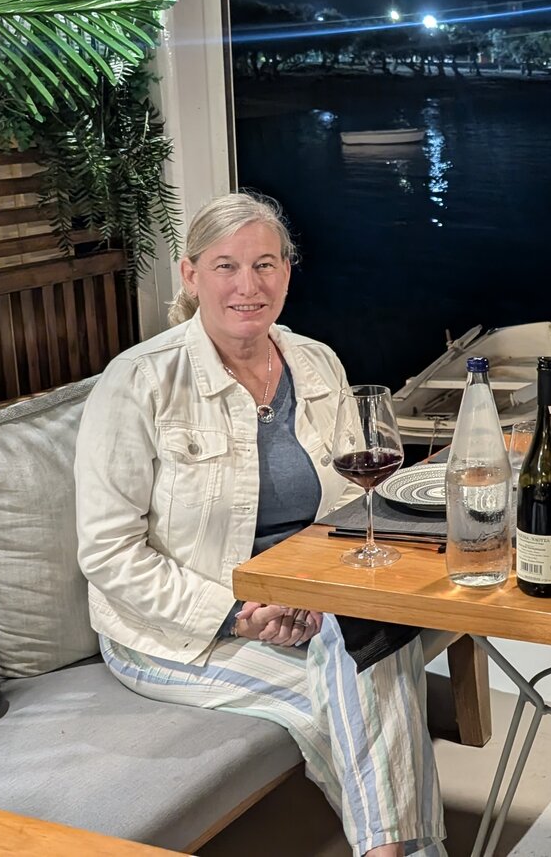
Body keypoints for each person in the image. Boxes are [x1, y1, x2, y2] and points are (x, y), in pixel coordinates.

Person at [75, 193, 443, 857]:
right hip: (177, 632)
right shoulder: (139, 383)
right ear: (191, 276)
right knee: (369, 666)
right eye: (226, 266)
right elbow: (109, 554)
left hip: (310, 603)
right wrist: (237, 610)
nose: (249, 285)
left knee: (367, 634)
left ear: (287, 272)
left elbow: (350, 505)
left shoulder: (316, 364)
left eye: (266, 264)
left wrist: (323, 592)